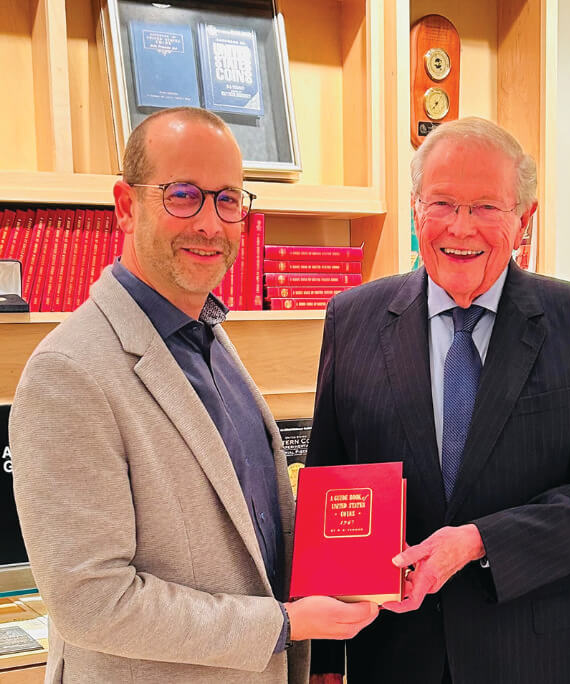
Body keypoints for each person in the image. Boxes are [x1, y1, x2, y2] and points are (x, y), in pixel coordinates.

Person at [9, 107, 378, 683]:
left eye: (228, 199)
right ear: (126, 207)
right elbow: (92, 603)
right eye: (183, 195)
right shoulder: (69, 371)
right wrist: (283, 624)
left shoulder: (207, 336)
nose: (210, 223)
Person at [305, 117, 570, 684]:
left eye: (487, 207)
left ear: (523, 221)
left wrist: (479, 541)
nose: (461, 228)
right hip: (390, 655)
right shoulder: (352, 318)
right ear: (416, 210)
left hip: (534, 657)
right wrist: (323, 665)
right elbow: (327, 488)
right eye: (442, 203)